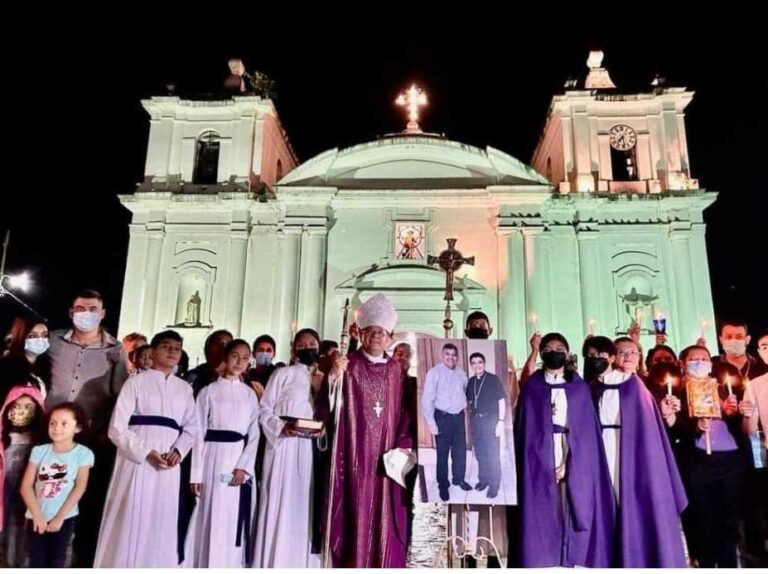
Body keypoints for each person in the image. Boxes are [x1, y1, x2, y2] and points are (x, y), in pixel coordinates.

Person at [318, 293, 414, 567]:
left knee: (386, 517)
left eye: (381, 332)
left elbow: (406, 412)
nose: (376, 337)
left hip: (386, 461)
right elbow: (328, 410)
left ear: (390, 336)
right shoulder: (347, 366)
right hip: (353, 457)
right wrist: (333, 380)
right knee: (354, 514)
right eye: (370, 331)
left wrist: (403, 443)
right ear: (360, 333)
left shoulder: (396, 371)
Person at [94, 330, 198, 567]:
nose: (172, 351)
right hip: (137, 459)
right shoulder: (136, 383)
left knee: (161, 518)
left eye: (177, 348)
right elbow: (117, 427)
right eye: (166, 346)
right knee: (131, 513)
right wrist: (145, 451)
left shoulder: (184, 389)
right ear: (152, 351)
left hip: (169, 462)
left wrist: (179, 451)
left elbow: (192, 427)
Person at [515, 332, 615, 567]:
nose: (554, 352)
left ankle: (573, 558)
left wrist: (570, 459)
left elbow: (584, 431)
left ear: (567, 353)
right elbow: (526, 430)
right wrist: (543, 458)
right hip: (539, 454)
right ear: (541, 354)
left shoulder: (578, 387)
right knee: (543, 507)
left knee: (572, 503)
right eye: (548, 349)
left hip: (571, 451)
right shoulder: (532, 387)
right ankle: (543, 559)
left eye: (560, 348)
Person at [46, 289, 128, 567]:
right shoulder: (53, 341)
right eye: (80, 309)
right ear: (71, 312)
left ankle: (81, 562)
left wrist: (103, 431)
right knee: (46, 501)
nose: (85, 314)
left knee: (87, 506)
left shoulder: (116, 350)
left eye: (92, 309)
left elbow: (120, 396)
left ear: (102, 313)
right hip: (49, 437)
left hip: (89, 440)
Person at [590, 336, 687, 567]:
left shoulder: (644, 386)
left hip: (638, 456)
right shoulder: (597, 384)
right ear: (612, 357)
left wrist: (667, 414)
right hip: (605, 448)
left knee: (639, 503)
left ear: (640, 356)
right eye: (621, 352)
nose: (627, 356)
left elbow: (654, 428)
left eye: (632, 352)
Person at [186, 339, 260, 567]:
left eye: (245, 357)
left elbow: (254, 434)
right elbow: (197, 432)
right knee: (211, 510)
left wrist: (243, 466)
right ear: (226, 357)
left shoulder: (249, 395)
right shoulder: (208, 392)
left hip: (237, 459)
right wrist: (196, 473)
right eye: (235, 356)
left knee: (231, 514)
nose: (239, 362)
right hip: (212, 458)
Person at [254, 329, 323, 567]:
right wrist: (281, 427)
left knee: (303, 503)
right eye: (302, 345)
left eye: (312, 343)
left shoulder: (324, 378)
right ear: (294, 349)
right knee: (277, 497)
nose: (308, 348)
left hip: (307, 450)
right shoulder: (281, 374)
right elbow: (265, 409)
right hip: (282, 445)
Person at [677, 345, 748, 567]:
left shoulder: (725, 389)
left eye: (704, 358)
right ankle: (706, 563)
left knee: (729, 518)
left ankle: (729, 564)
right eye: (693, 359)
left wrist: (733, 411)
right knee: (704, 517)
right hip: (699, 460)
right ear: (683, 364)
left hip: (730, 458)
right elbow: (676, 429)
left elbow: (741, 424)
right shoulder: (677, 393)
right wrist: (696, 425)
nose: (700, 362)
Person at [19, 402, 93, 568]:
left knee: (57, 561)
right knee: (36, 561)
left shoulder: (83, 454)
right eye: (53, 423)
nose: (56, 427)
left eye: (64, 423)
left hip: (64, 519)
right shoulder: (39, 451)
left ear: (78, 427)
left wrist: (60, 517)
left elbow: (80, 487)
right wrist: (37, 515)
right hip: (36, 517)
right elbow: (26, 486)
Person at [0, 385, 45, 566]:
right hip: (4, 493)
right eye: (16, 406)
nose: (21, 411)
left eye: (28, 407)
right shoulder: (3, 437)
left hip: (28, 496)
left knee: (21, 533)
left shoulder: (40, 442)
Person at [422, 343, 471, 501]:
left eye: (454, 355)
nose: (451, 357)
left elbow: (466, 389)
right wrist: (431, 422)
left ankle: (459, 479)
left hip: (458, 417)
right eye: (448, 354)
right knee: (442, 454)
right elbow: (427, 399)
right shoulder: (434, 373)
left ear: (457, 357)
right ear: (443, 356)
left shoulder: (461, 373)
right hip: (442, 418)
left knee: (460, 451)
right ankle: (443, 485)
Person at [466, 353, 505, 500]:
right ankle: (484, 480)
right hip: (476, 422)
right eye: (474, 363)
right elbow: (470, 401)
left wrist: (500, 421)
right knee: (481, 454)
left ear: (484, 363)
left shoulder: (493, 379)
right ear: (471, 365)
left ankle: (494, 485)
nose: (477, 365)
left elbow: (501, 400)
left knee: (492, 454)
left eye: (480, 362)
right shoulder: (470, 382)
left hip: (491, 420)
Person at [0, 317, 50, 406]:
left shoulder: (44, 367)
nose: (40, 340)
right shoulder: (6, 367)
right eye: (33, 336)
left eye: (44, 335)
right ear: (21, 336)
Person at [185, 330, 233, 397]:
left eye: (227, 344)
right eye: (217, 344)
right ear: (207, 348)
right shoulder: (193, 377)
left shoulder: (240, 377)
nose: (223, 348)